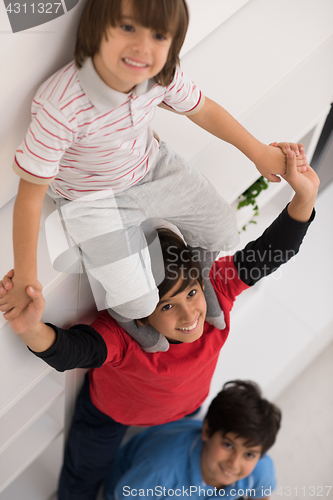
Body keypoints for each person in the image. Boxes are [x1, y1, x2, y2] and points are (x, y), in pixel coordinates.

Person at [0, 151, 318, 499]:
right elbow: (72, 351)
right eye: (167, 305)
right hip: (108, 415)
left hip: (183, 410)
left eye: (191, 293)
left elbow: (270, 252)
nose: (189, 315)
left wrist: (304, 196)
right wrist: (29, 327)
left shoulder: (217, 288)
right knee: (81, 479)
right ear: (142, 314)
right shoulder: (125, 334)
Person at [1, 0, 308, 352]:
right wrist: (26, 274)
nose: (142, 47)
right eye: (128, 28)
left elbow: (203, 109)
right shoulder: (63, 105)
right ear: (96, 28)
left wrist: (257, 152)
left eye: (159, 36)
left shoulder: (160, 74)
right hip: (92, 200)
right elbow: (29, 196)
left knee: (223, 228)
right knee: (138, 302)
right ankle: (130, 317)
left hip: (153, 167)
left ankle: (198, 278)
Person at [103, 380, 281, 500]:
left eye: (249, 454)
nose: (234, 463)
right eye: (228, 445)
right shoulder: (159, 470)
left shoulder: (260, 470)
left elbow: (261, 495)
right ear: (207, 431)